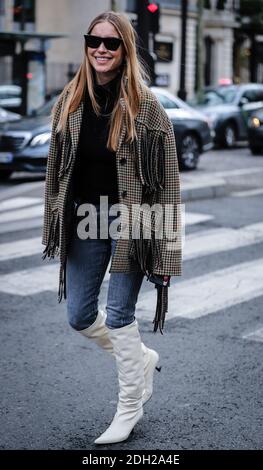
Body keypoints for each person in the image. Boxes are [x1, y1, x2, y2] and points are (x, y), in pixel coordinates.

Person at [42, 11, 182, 445]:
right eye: (93, 40)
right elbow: (55, 173)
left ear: (125, 50)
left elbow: (169, 184)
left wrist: (164, 253)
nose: (100, 48)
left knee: (120, 315)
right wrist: (55, 222)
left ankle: (129, 407)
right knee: (79, 315)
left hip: (133, 223)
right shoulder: (69, 101)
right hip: (86, 220)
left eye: (111, 42)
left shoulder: (148, 110)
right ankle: (141, 359)